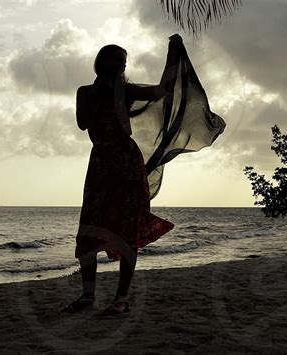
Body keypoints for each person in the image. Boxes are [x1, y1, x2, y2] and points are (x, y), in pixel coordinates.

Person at [62, 35, 184, 315]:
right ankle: (87, 296)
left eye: (122, 62)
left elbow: (162, 91)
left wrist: (172, 54)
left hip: (126, 162)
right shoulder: (85, 92)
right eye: (114, 60)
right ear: (100, 64)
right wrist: (102, 94)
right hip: (101, 162)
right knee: (90, 230)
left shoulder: (126, 90)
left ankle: (121, 299)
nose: (118, 65)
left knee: (128, 230)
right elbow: (83, 124)